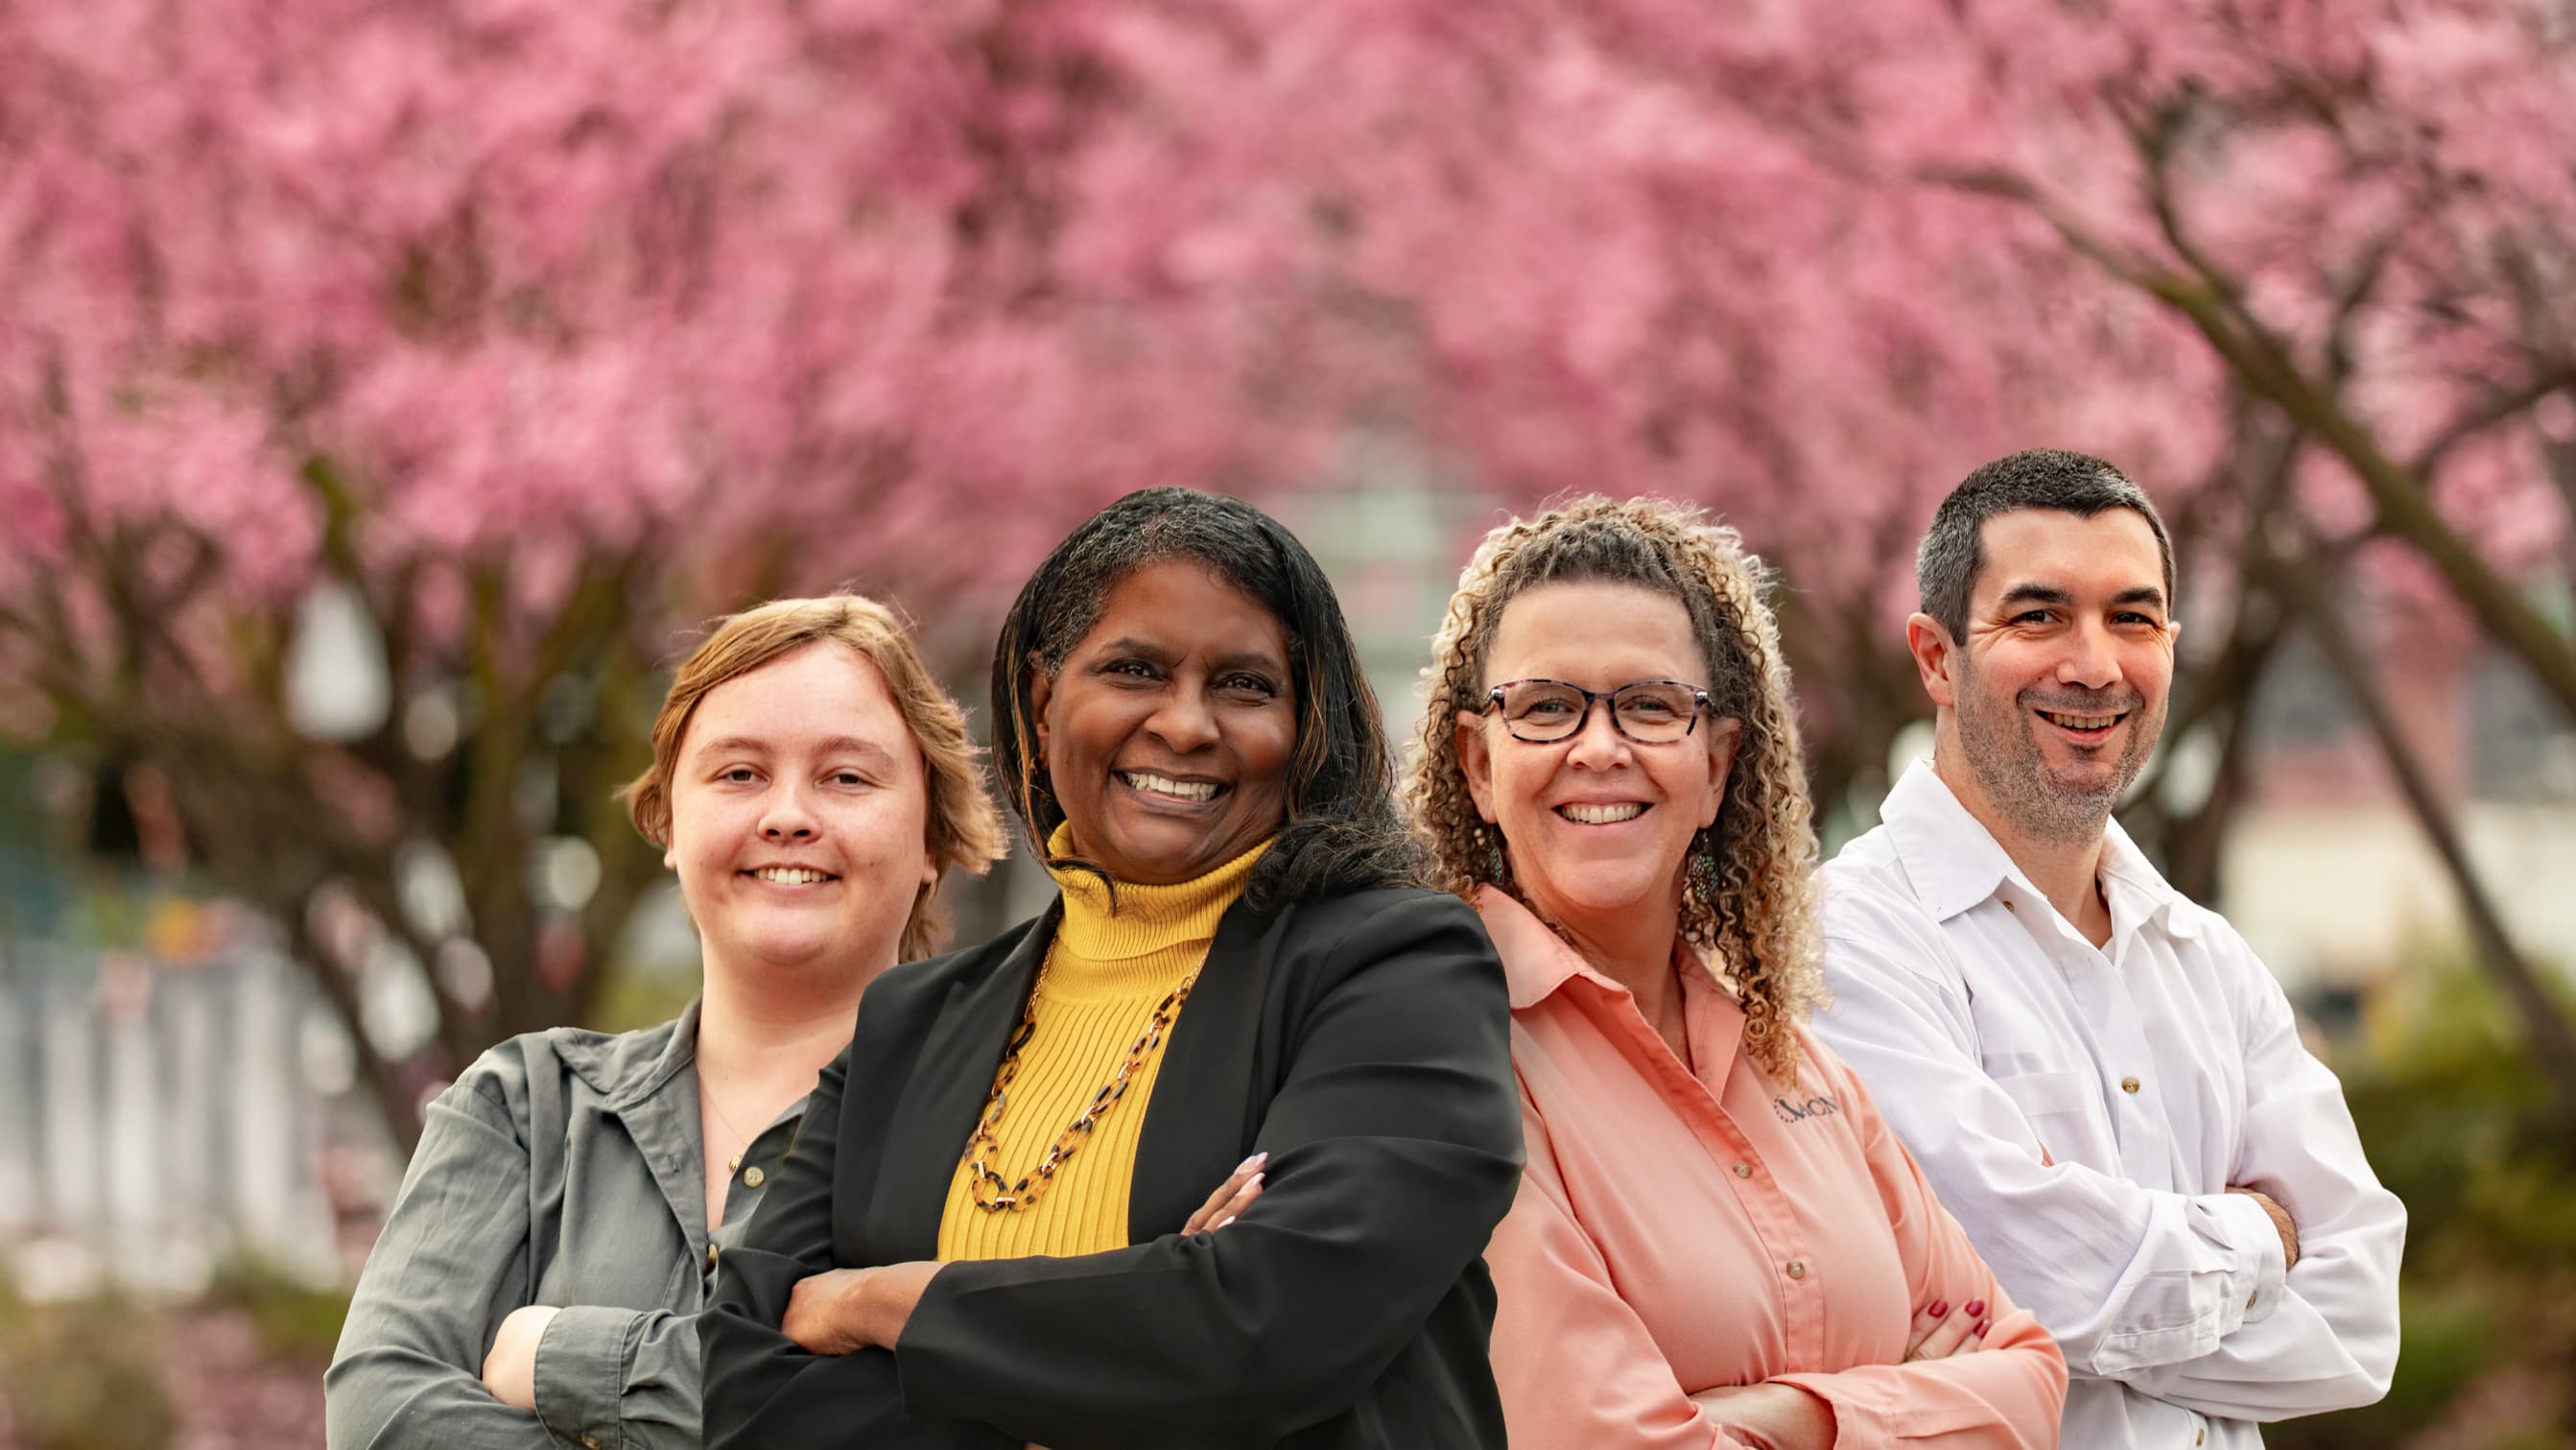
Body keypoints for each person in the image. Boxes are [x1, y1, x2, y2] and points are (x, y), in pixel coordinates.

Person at [700, 487, 1524, 1449]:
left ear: (1307, 723)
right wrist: (1145, 1320)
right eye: (1135, 669)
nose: (1185, 724)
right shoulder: (907, 1025)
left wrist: (886, 1303)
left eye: (1245, 685)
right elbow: (750, 1384)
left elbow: (1262, 1328)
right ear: (1046, 697)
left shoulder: (1400, 970)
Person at [1406, 494, 2068, 1449]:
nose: (1600, 746)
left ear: (1716, 766)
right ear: (1478, 761)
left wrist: (1791, 1416)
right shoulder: (1445, 1057)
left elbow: (2031, 1377)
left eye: (1650, 704)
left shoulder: (1794, 1057)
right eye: (1548, 707)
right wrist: (1905, 1401)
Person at [1814, 449, 2406, 1448]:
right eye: (2038, 615)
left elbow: (2359, 1323)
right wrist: (2264, 1231)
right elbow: (2034, 1279)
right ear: (1935, 656)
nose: (2093, 664)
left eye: (2132, 618)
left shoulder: (2210, 960)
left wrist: (2096, 1292)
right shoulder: (1848, 938)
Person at [325, 594, 1007, 1449]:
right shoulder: (523, 1107)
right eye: (738, 773)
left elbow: (973, 1419)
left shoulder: (1019, 1126)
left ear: (934, 843)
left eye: (847, 776)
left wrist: (565, 1360)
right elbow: (380, 1413)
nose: (787, 814)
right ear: (670, 826)